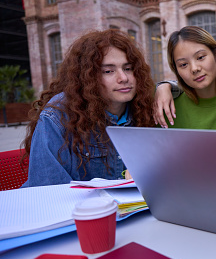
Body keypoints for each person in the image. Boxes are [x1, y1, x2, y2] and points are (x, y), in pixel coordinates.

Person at [22, 29, 155, 187]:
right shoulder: (57, 116)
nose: (123, 78)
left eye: (128, 68)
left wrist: (167, 86)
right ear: (87, 77)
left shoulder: (143, 108)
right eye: (108, 71)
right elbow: (48, 193)